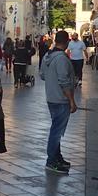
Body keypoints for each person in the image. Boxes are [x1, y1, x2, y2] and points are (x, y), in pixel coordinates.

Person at [40, 30, 77, 173]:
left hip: (51, 97)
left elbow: (42, 75)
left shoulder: (47, 56)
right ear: (67, 41)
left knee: (57, 128)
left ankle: (57, 156)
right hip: (61, 99)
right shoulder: (61, 58)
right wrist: (72, 101)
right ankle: (51, 161)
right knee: (56, 131)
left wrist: (51, 79)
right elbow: (64, 82)